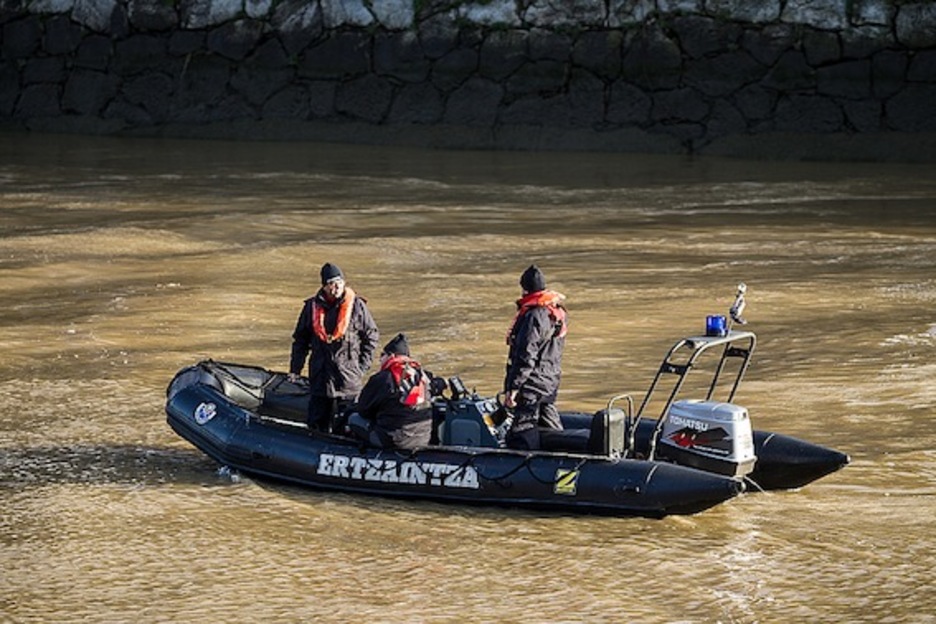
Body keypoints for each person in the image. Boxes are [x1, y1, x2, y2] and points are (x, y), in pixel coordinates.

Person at [289, 262, 379, 433]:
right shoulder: (311, 307)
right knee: (316, 425)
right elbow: (300, 341)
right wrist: (295, 369)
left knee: (348, 427)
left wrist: (362, 367)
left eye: (339, 282)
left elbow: (371, 336)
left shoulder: (357, 307)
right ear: (324, 286)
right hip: (320, 378)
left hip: (348, 380)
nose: (336, 286)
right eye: (331, 283)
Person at [503, 264, 568, 450]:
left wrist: (514, 387)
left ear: (525, 289)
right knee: (549, 419)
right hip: (550, 380)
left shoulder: (533, 316)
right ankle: (565, 456)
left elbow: (526, 355)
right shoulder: (556, 312)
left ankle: (524, 464)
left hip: (532, 383)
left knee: (523, 427)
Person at [348, 333, 443, 450]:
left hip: (395, 442)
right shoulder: (424, 376)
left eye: (382, 355)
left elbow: (363, 410)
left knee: (354, 419)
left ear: (391, 356)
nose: (380, 359)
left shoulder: (383, 378)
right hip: (423, 439)